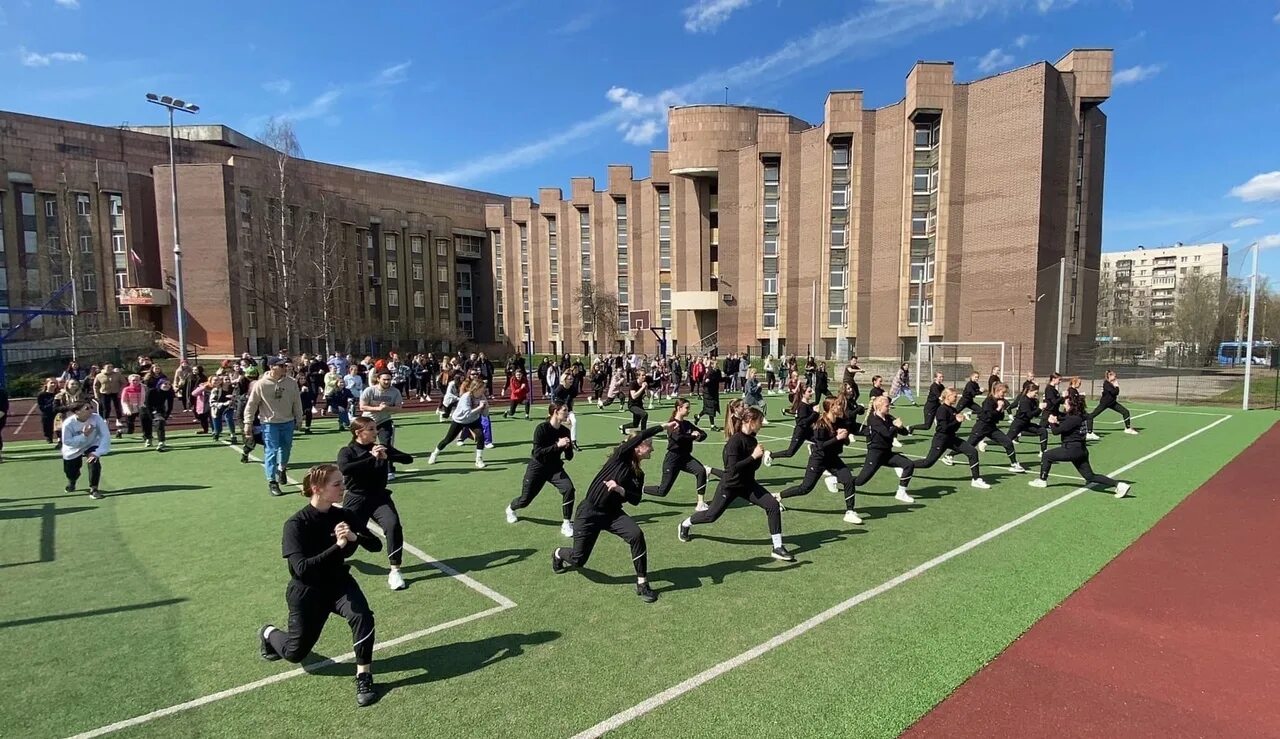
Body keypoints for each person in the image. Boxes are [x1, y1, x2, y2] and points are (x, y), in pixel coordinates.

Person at [259, 464, 381, 707]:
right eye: (337, 484)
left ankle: (364, 675)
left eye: (342, 483)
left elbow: (375, 546)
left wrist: (356, 537)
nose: (342, 488)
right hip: (307, 591)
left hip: (338, 582)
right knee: (295, 653)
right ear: (317, 489)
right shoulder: (295, 524)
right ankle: (268, 632)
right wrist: (337, 545)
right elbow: (301, 568)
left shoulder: (343, 514)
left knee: (362, 616)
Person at [552, 423, 673, 603]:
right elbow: (640, 435)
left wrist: (621, 490)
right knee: (578, 560)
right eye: (650, 445)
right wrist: (663, 426)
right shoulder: (620, 457)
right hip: (589, 513)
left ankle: (642, 583)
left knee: (636, 535)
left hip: (612, 514)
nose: (653, 449)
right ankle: (558, 553)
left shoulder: (638, 474)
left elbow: (636, 499)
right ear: (638, 447)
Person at [677, 406, 794, 562]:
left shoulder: (752, 439)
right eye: (760, 421)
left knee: (772, 505)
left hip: (748, 485)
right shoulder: (735, 441)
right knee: (711, 516)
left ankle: (777, 547)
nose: (762, 424)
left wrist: (760, 457)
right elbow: (732, 470)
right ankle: (685, 524)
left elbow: (752, 466)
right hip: (730, 486)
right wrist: (753, 456)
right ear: (751, 421)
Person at [338, 417, 414, 591]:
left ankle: (395, 570)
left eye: (375, 429)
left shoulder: (381, 448)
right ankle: (346, 550)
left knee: (393, 525)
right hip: (356, 499)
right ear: (359, 432)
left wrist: (388, 456)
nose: (376, 432)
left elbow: (408, 459)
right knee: (348, 539)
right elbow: (345, 469)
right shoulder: (347, 451)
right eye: (371, 429)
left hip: (380, 498)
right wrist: (371, 458)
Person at [777, 397, 864, 524]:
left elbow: (846, 441)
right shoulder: (820, 424)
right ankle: (778, 496)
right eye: (838, 405)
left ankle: (850, 511)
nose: (841, 407)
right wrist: (837, 437)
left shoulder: (840, 422)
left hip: (833, 459)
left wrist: (844, 437)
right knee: (805, 488)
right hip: (818, 460)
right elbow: (820, 446)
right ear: (831, 408)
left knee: (848, 480)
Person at [1030, 394, 1132, 498]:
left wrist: (1052, 422)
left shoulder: (1073, 419)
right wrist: (1050, 412)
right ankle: (1120, 485)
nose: (1064, 406)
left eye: (1065, 404)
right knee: (1090, 476)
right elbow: (1063, 417)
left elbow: (1056, 431)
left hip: (1071, 450)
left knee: (1047, 455)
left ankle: (1042, 480)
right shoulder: (1081, 416)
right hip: (1081, 450)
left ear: (1072, 405)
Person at [507, 403, 577, 537]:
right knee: (525, 500)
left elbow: (569, 457)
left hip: (555, 468)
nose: (568, 413)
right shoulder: (541, 428)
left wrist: (568, 446)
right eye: (565, 410)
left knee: (569, 489)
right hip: (537, 468)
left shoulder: (565, 431)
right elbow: (538, 453)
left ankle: (566, 523)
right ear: (555, 412)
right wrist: (557, 445)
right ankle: (511, 508)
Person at [243, 357, 305, 496]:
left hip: (288, 422)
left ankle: (282, 469)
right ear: (272, 367)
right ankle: (272, 481)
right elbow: (252, 405)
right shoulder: (261, 384)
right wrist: (248, 422)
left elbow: (297, 401)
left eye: (285, 365)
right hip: (269, 423)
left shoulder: (291, 382)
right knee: (271, 451)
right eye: (281, 366)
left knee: (286, 448)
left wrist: (299, 418)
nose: (285, 367)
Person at [643, 398, 716, 512]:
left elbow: (703, 434)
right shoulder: (672, 423)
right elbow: (678, 438)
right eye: (687, 408)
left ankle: (700, 503)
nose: (689, 410)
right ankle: (640, 489)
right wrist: (692, 436)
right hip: (673, 458)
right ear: (679, 408)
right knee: (662, 491)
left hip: (685, 457)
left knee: (701, 471)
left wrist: (697, 436)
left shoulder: (687, 424)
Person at [913, 388, 990, 489]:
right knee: (928, 463)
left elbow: (954, 428)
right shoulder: (941, 409)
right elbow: (943, 428)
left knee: (972, 451)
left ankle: (976, 479)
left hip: (952, 438)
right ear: (948, 396)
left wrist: (959, 421)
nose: (956, 398)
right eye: (954, 396)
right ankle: (905, 465)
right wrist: (956, 421)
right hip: (941, 439)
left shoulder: (953, 410)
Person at [850, 396, 916, 504]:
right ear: (879, 407)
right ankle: (836, 479)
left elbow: (904, 433)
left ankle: (901, 492)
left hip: (887, 453)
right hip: (875, 455)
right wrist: (895, 426)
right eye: (887, 406)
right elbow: (886, 434)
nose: (889, 407)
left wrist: (900, 427)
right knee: (859, 481)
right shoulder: (873, 419)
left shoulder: (889, 417)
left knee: (909, 464)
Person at [964, 383, 1026, 473]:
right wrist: (998, 408)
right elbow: (987, 416)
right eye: (1003, 392)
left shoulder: (1000, 400)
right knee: (968, 446)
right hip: (981, 427)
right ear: (997, 390)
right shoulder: (988, 401)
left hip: (992, 428)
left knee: (1008, 442)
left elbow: (1000, 418)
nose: (1004, 395)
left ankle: (1014, 463)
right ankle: (950, 456)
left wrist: (1001, 409)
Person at [426, 379, 487, 469]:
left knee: (480, 435)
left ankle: (479, 459)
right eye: (482, 388)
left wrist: (486, 408)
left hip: (473, 420)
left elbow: (485, 414)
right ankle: (434, 454)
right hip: (460, 420)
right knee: (448, 439)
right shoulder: (466, 397)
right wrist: (480, 407)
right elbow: (467, 414)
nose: (484, 390)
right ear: (476, 388)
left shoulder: (482, 397)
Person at [60, 401, 111, 499]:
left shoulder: (96, 418)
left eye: (91, 407)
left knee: (94, 462)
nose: (91, 410)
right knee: (71, 471)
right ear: (77, 412)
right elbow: (67, 441)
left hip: (91, 444)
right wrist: (84, 435)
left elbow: (105, 435)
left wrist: (97, 452)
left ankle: (94, 489)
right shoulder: (68, 423)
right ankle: (72, 481)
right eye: (87, 408)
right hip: (73, 448)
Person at [359, 370, 405, 480]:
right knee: (364, 446)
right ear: (378, 379)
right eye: (384, 379)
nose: (386, 381)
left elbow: (399, 408)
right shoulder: (370, 390)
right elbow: (362, 407)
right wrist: (377, 408)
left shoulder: (395, 392)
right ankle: (365, 469)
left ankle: (389, 470)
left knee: (386, 445)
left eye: (388, 379)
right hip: (368, 422)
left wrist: (387, 408)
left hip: (385, 421)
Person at [1086, 370, 1140, 439]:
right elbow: (1114, 392)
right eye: (1114, 375)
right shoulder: (1106, 384)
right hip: (1105, 403)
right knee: (1091, 415)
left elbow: (1116, 392)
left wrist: (1115, 386)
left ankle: (1128, 428)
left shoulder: (1112, 383)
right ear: (1109, 376)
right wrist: (1116, 386)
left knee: (1125, 412)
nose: (1115, 376)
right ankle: (1089, 432)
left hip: (1112, 403)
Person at [771, 384, 818, 461]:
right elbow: (802, 422)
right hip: (800, 432)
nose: (812, 392)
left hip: (808, 431)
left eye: (811, 391)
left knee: (822, 442)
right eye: (809, 391)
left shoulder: (809, 405)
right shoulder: (802, 407)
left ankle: (817, 456)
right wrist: (815, 413)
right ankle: (771, 455)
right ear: (803, 394)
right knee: (790, 453)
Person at [144, 378, 175, 451]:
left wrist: (165, 417)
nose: (167, 386)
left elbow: (170, 407)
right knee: (146, 425)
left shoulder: (170, 392)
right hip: (145, 409)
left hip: (159, 409)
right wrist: (151, 416)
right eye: (165, 384)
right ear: (160, 384)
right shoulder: (151, 391)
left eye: (169, 384)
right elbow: (148, 405)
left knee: (160, 422)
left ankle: (161, 442)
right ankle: (148, 439)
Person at [692, 361, 722, 430]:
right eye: (716, 364)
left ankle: (698, 416)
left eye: (717, 364)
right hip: (708, 394)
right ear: (712, 365)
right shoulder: (709, 372)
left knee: (707, 409)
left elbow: (719, 379)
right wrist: (706, 382)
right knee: (711, 409)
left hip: (714, 392)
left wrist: (727, 378)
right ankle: (712, 426)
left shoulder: (717, 372)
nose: (717, 365)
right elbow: (703, 384)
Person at [620, 371, 650, 435]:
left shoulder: (645, 384)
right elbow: (634, 396)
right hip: (632, 405)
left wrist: (646, 388)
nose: (644, 377)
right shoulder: (633, 383)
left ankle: (623, 427)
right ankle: (643, 433)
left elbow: (649, 396)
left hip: (639, 405)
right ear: (638, 376)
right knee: (645, 414)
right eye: (642, 375)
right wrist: (642, 388)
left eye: (645, 375)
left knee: (635, 424)